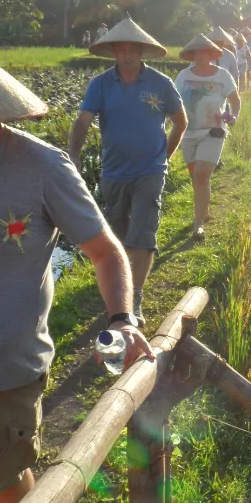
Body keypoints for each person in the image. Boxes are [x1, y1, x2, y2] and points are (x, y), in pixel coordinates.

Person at [0, 28, 153, 503]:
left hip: (4, 374)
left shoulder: (43, 166)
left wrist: (123, 317)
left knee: (5, 487)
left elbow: (104, 251)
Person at [69, 17, 187, 326]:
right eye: (121, 49)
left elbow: (180, 121)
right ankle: (117, 290)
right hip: (113, 172)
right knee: (116, 235)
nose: (128, 55)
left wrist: (166, 155)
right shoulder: (101, 84)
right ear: (114, 52)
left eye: (133, 49)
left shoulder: (161, 84)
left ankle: (135, 299)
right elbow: (82, 121)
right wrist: (74, 154)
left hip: (150, 170)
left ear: (143, 51)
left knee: (142, 234)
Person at [174, 35, 241, 240]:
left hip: (214, 131)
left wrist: (234, 116)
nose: (201, 56)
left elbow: (235, 100)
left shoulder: (222, 76)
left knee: (202, 175)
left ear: (212, 54)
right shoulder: (183, 76)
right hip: (188, 133)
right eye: (197, 52)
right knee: (196, 176)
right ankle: (204, 209)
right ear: (191, 55)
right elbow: (174, 101)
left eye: (205, 52)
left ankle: (197, 225)